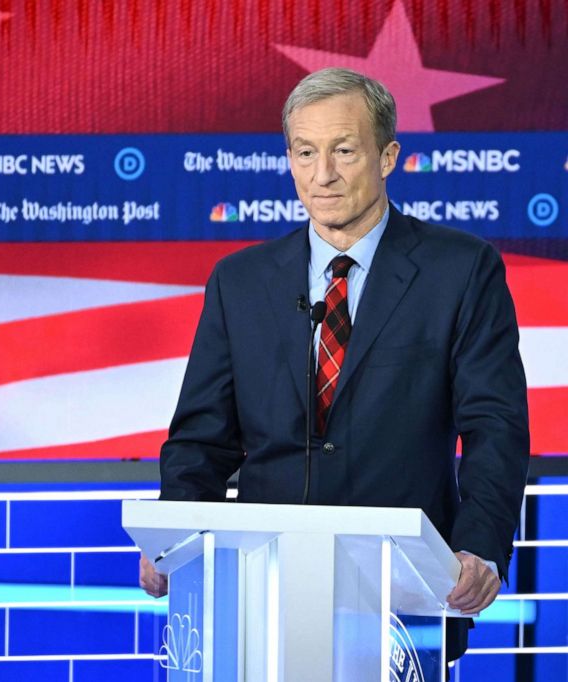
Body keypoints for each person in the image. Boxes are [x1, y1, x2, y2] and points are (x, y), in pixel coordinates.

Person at [139, 68, 529, 660]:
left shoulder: (462, 270)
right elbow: (201, 438)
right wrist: (175, 538)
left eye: (344, 150)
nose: (322, 174)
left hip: (407, 592)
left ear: (388, 155)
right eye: (305, 152)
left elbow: (494, 426)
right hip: (255, 588)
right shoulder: (240, 281)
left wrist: (479, 548)